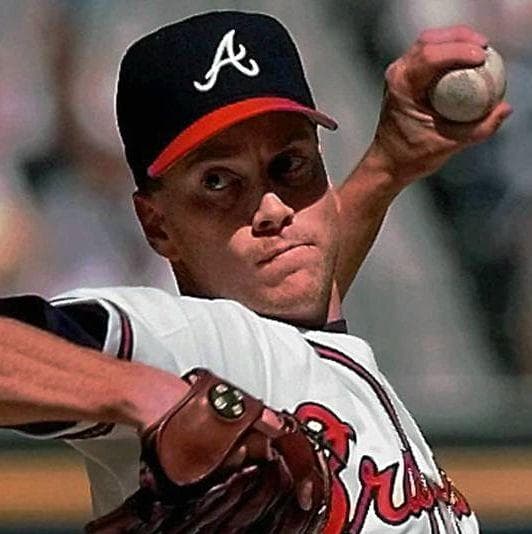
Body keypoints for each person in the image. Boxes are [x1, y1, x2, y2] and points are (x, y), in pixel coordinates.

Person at [0, 11, 510, 533]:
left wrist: (387, 164)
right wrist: (145, 394)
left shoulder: (302, 360)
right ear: (157, 225)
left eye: (290, 166)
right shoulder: (193, 345)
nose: (272, 207)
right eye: (218, 182)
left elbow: (305, 314)